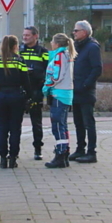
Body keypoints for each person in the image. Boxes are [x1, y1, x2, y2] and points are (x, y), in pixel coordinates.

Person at [0, 35, 33, 169]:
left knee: (2, 128)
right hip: (16, 96)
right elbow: (26, 81)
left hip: (1, 96)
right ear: (14, 46)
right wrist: (30, 97)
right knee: (15, 128)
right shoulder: (19, 61)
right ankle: (13, 158)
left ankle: (3, 158)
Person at [69, 20, 102, 163]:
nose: (74, 33)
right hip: (75, 90)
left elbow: (97, 68)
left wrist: (85, 84)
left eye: (76, 30)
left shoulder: (92, 47)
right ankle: (80, 149)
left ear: (85, 32)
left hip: (86, 92)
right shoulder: (77, 46)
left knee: (88, 122)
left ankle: (91, 152)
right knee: (78, 123)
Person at [41, 32, 75, 169]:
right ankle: (64, 152)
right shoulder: (67, 55)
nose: (51, 43)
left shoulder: (60, 56)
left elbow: (57, 75)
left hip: (58, 94)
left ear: (57, 43)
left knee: (57, 125)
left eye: (52, 41)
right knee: (62, 125)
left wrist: (47, 86)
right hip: (64, 93)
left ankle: (60, 154)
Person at [19, 26, 49, 161]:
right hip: (21, 90)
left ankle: (38, 149)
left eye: (27, 35)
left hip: (36, 90)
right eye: (24, 35)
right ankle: (14, 150)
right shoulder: (19, 51)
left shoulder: (43, 52)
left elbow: (48, 70)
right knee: (16, 122)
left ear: (36, 36)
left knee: (36, 122)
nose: (24, 37)